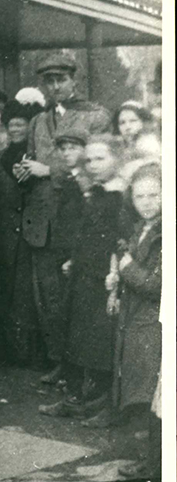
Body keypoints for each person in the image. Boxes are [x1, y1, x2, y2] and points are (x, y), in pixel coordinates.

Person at [19, 52, 111, 384]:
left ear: (74, 80)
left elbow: (99, 164)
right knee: (48, 295)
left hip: (78, 217)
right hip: (42, 219)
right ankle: (58, 360)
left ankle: (77, 368)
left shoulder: (95, 117)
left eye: (61, 79)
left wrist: (50, 170)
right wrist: (26, 171)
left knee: (77, 294)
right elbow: (32, 160)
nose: (56, 86)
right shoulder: (37, 122)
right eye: (49, 81)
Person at [39, 134, 125, 423]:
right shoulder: (95, 193)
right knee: (74, 332)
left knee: (99, 340)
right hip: (83, 272)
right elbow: (85, 232)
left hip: (105, 276)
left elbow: (119, 239)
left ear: (117, 158)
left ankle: (99, 402)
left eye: (101, 158)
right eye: (89, 160)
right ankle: (74, 396)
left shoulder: (121, 196)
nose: (94, 165)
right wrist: (73, 259)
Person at [106, 164, 162, 466]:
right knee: (139, 387)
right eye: (140, 196)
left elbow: (156, 285)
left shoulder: (165, 232)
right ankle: (148, 454)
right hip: (135, 317)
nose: (147, 202)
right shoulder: (140, 228)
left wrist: (125, 267)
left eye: (154, 195)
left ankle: (153, 460)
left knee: (150, 392)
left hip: (152, 321)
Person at [0, 88, 47, 365]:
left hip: (28, 231)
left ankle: (32, 353)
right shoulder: (1, 156)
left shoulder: (36, 156)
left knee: (28, 292)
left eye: (20, 125)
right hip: (6, 229)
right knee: (8, 288)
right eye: (11, 125)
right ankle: (11, 350)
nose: (15, 129)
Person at [114, 101, 161, 179]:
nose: (127, 127)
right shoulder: (121, 143)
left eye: (133, 121)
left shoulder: (148, 142)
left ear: (143, 122)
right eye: (122, 123)